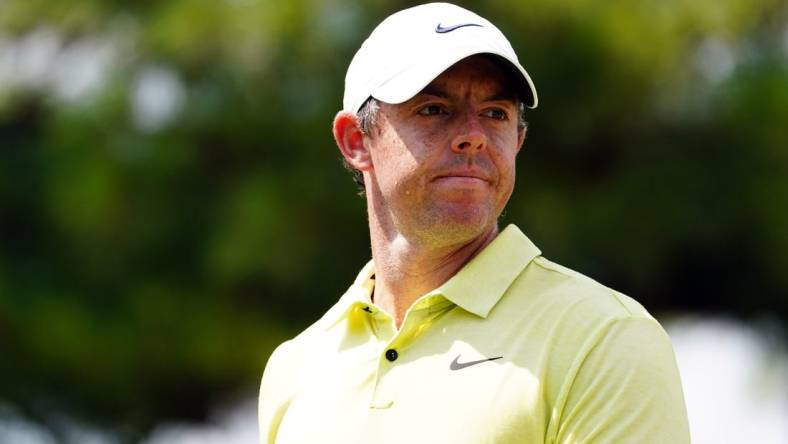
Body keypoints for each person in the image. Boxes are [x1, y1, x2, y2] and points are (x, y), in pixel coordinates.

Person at [258, 3, 690, 443]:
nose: (474, 134)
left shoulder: (605, 339)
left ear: (518, 141)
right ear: (356, 141)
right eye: (434, 109)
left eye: (496, 113)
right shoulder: (296, 367)